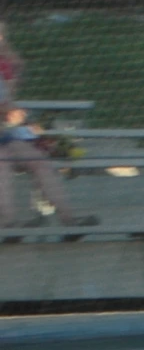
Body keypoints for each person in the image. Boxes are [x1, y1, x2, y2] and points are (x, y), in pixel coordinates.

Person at [0, 24, 92, 229]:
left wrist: (12, 112)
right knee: (2, 164)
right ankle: (7, 222)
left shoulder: (4, 65)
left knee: (39, 161)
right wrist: (8, 112)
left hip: (4, 135)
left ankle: (69, 220)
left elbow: (8, 100)